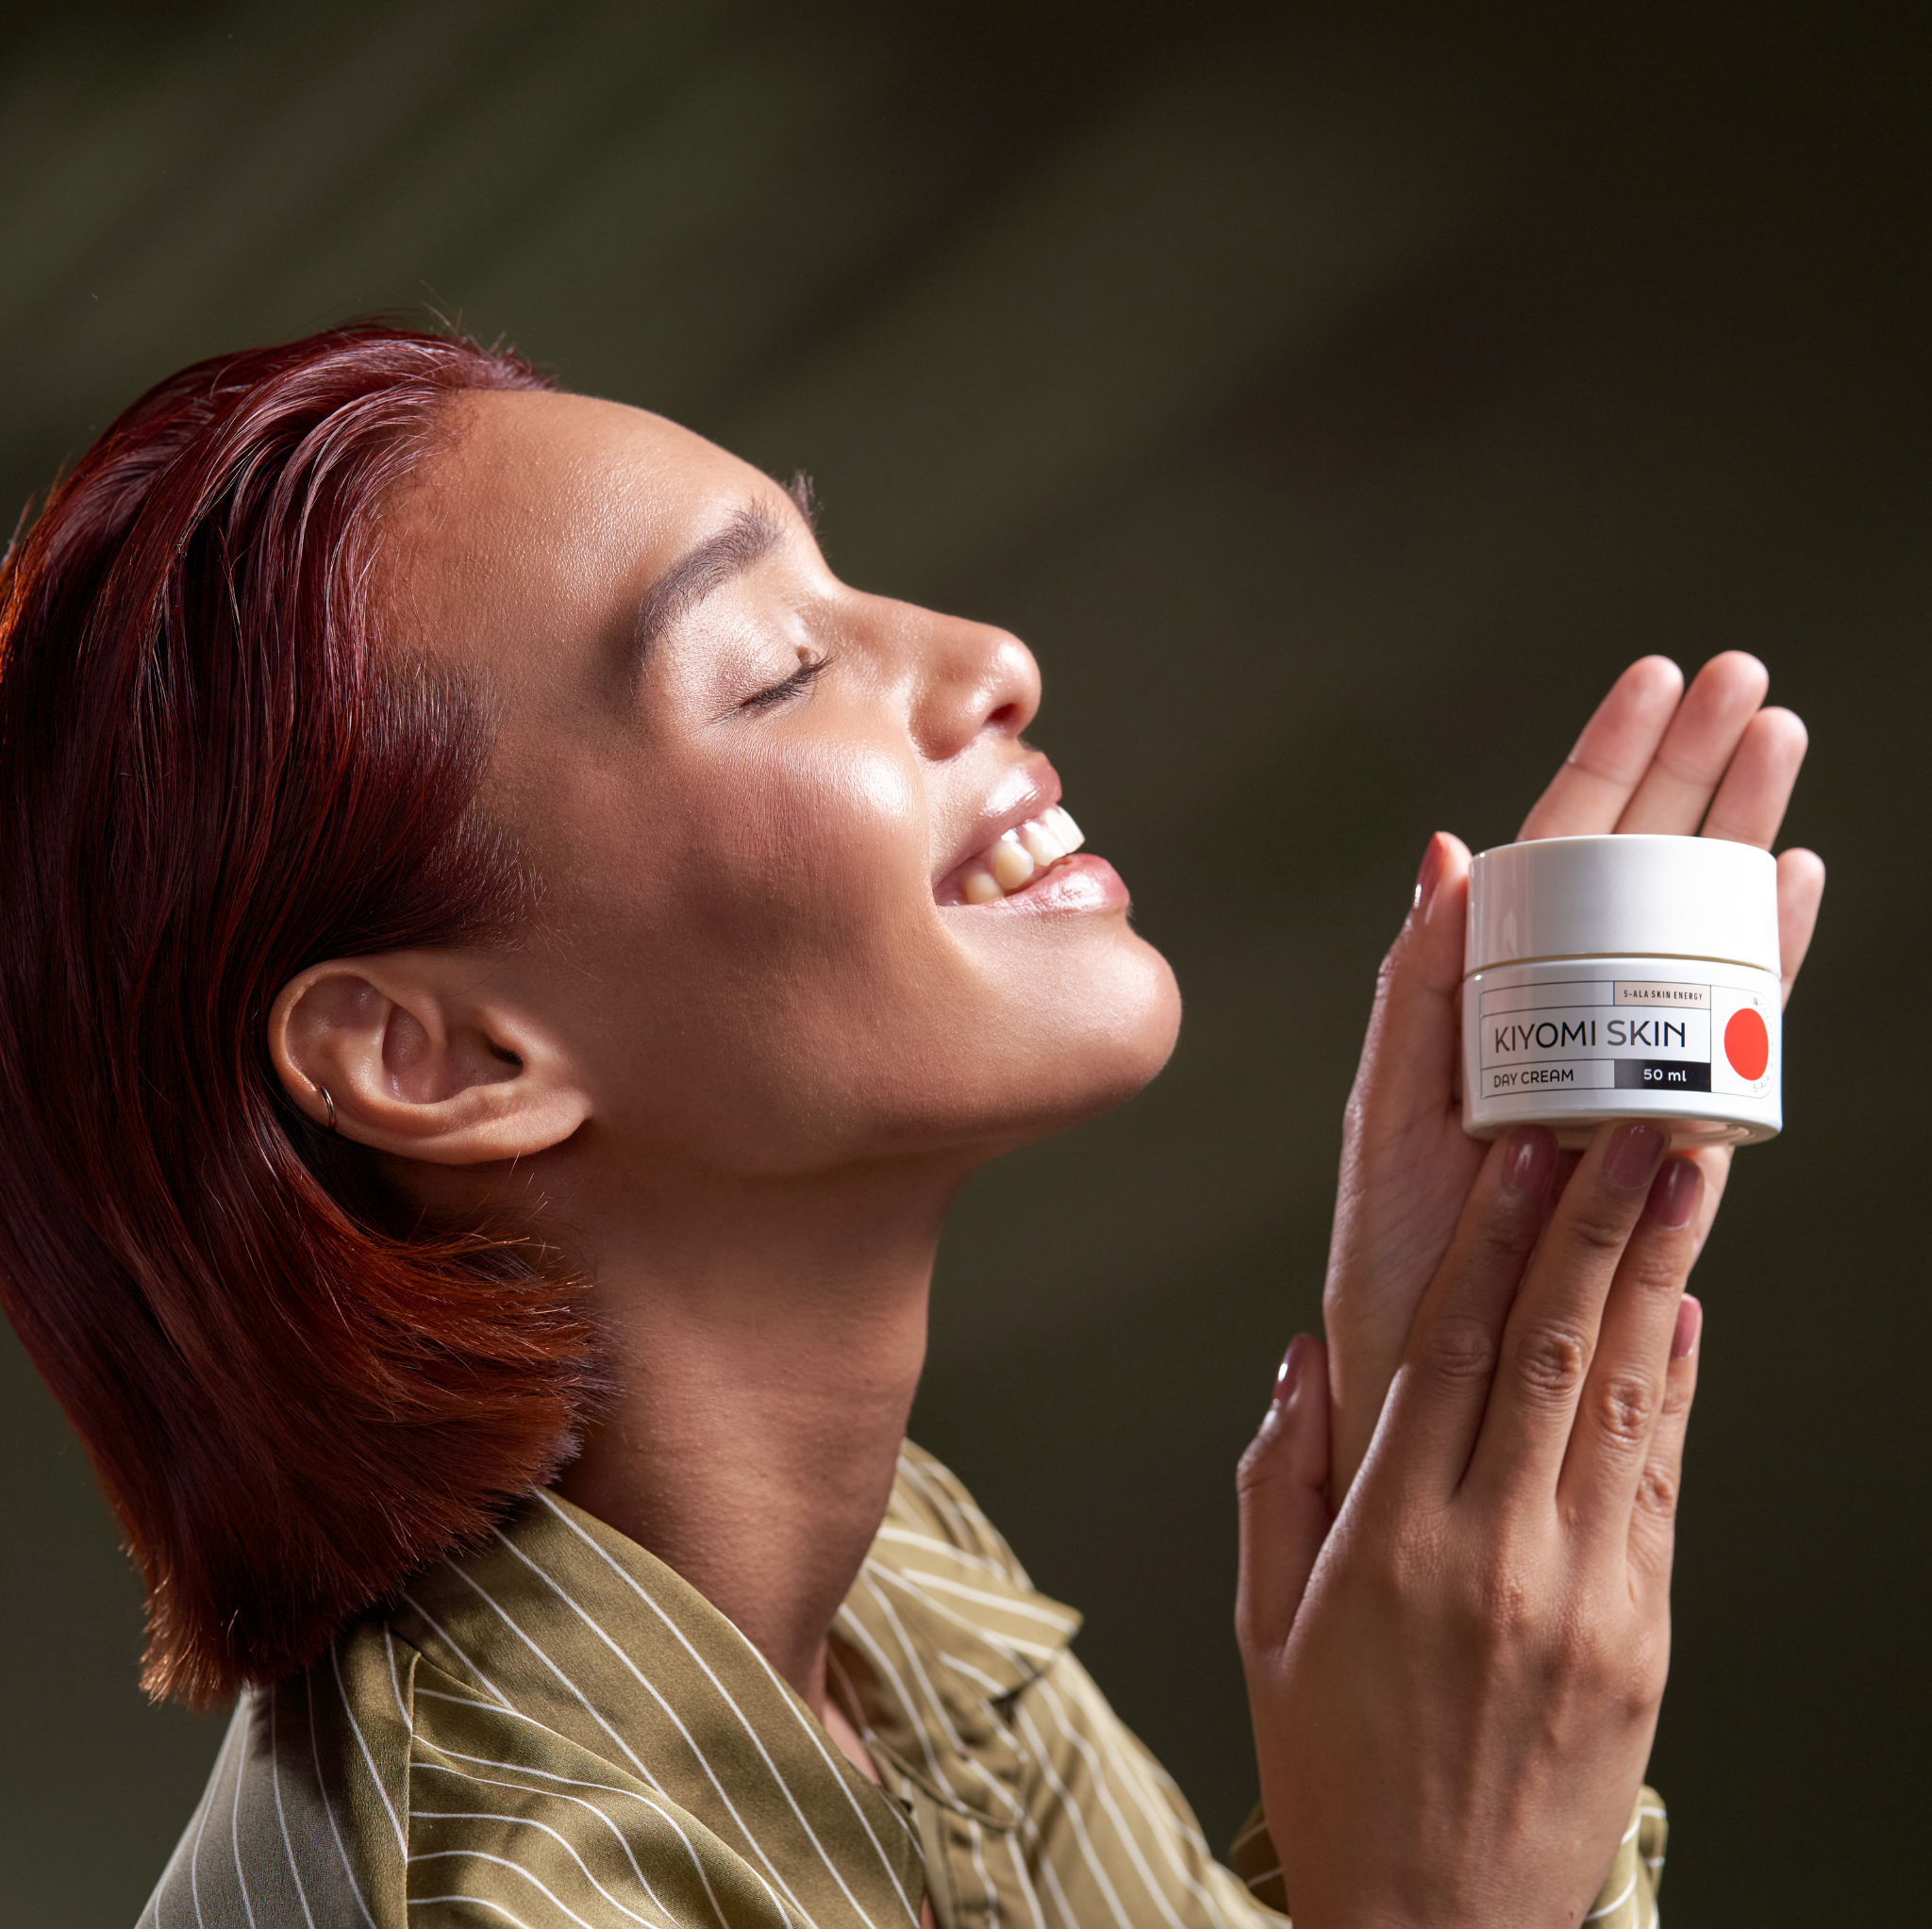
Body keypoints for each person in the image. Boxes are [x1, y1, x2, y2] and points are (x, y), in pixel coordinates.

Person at [0, 325, 1823, 1929]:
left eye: (840, 576)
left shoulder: (878, 1596)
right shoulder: (512, 1889)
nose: (991, 655)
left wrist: (1438, 1414)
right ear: (438, 1056)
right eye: (775, 667)